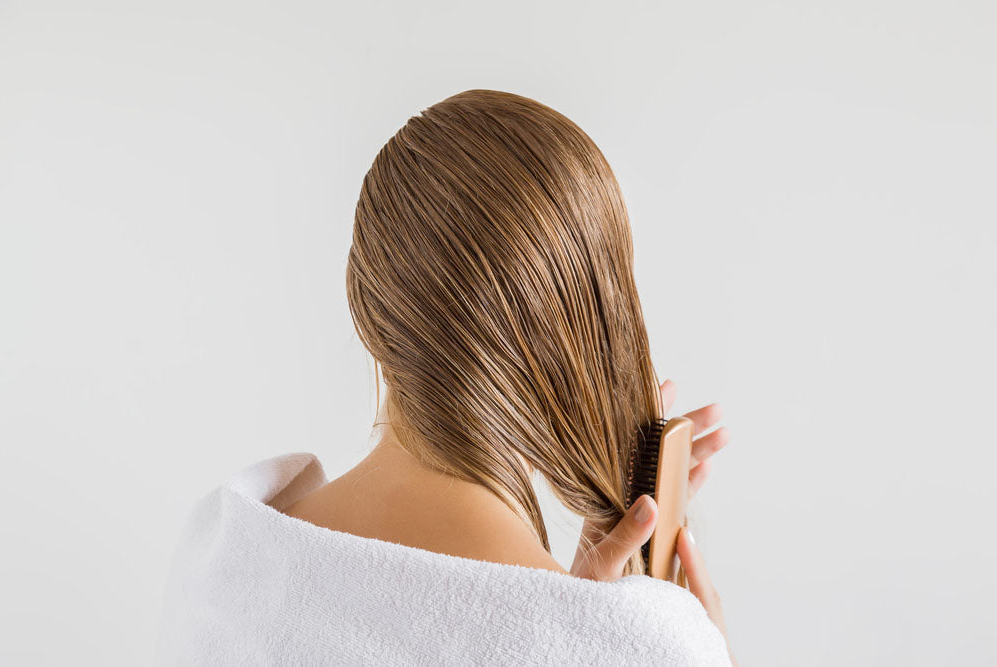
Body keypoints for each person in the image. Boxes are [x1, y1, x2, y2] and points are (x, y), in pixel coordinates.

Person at [157, 89, 735, 665]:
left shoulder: (220, 560)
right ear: (589, 332)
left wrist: (583, 615)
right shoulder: (647, 650)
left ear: (368, 312)